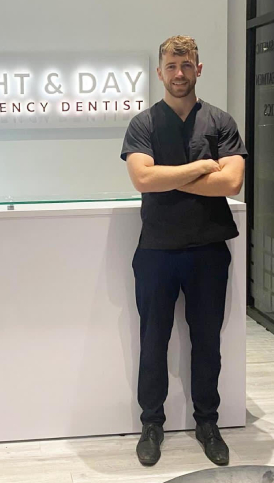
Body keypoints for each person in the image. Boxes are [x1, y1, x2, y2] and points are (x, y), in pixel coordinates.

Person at [120, 35, 248, 467]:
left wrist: (168, 177)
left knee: (207, 341)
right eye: (172, 66)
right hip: (156, 251)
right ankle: (151, 424)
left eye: (187, 65)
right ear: (160, 72)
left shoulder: (220, 122)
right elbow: (142, 179)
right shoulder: (144, 124)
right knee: (153, 340)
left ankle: (207, 423)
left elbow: (231, 183)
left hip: (208, 250)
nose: (179, 73)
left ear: (198, 69)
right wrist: (201, 167)